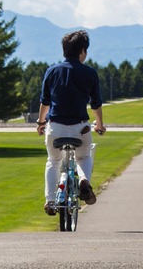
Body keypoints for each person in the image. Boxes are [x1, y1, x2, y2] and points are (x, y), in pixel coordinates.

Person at [36, 29, 106, 216]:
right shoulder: (90, 73)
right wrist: (99, 125)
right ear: (82, 50)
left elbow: (45, 102)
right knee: (83, 157)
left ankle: (50, 200)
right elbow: (96, 103)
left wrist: (41, 123)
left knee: (53, 161)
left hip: (55, 127)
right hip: (80, 128)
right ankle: (84, 181)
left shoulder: (52, 71)